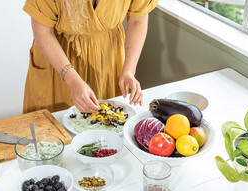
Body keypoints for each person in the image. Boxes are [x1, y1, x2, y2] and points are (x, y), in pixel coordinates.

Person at [23, 0, 158, 114]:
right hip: (58, 61)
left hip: (108, 60)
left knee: (105, 132)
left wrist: (129, 70)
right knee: (50, 137)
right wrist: (73, 80)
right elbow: (42, 31)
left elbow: (137, 21)